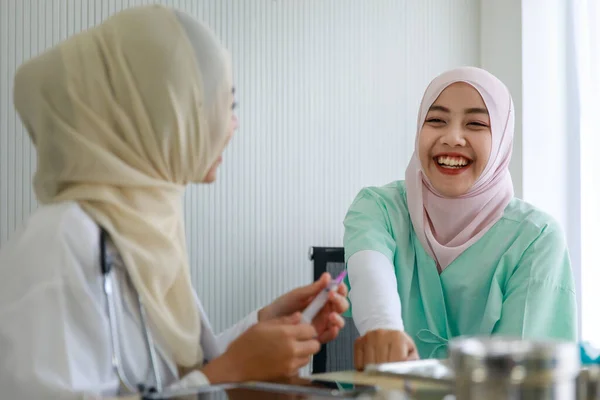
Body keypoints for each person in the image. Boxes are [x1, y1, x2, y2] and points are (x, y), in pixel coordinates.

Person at [0, 5, 348, 399]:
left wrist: (260, 333)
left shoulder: (146, 230)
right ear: (158, 110)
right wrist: (233, 369)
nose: (231, 125)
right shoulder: (59, 244)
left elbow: (167, 377)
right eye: (223, 105)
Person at [343, 66, 577, 369]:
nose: (452, 138)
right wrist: (382, 328)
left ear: (503, 139)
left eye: (476, 123)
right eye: (436, 120)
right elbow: (368, 271)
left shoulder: (536, 237)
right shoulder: (379, 208)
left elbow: (518, 375)